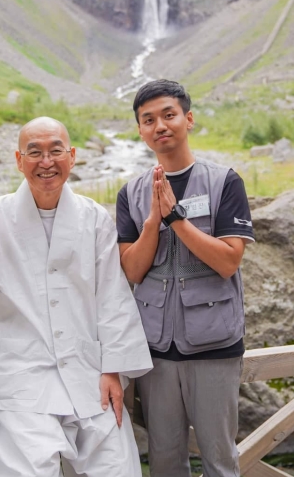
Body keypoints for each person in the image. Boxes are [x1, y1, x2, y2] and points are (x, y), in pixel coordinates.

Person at [0, 116, 153, 477]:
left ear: (71, 156)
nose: (46, 162)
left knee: (118, 467)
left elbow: (112, 298)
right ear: (19, 160)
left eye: (56, 151)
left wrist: (113, 368)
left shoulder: (94, 219)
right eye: (34, 152)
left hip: (87, 374)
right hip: (20, 379)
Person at [116, 79, 254, 477]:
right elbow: (132, 271)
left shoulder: (225, 181)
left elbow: (229, 261)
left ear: (188, 119)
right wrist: (152, 223)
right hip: (156, 351)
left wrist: (176, 219)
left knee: (220, 461)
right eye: (148, 119)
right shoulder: (131, 192)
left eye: (168, 115)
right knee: (164, 460)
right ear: (141, 131)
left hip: (214, 346)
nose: (160, 125)